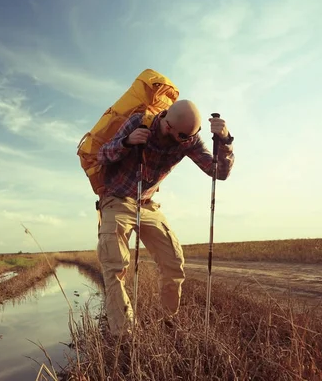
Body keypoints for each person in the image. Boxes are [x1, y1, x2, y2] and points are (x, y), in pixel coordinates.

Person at [95, 99, 235, 337]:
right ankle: (124, 336)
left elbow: (218, 172)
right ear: (168, 125)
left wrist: (226, 141)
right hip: (115, 200)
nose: (187, 141)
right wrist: (127, 142)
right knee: (115, 266)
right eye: (183, 137)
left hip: (147, 204)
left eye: (191, 136)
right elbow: (102, 155)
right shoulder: (139, 122)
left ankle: (168, 322)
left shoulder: (187, 139)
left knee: (174, 263)